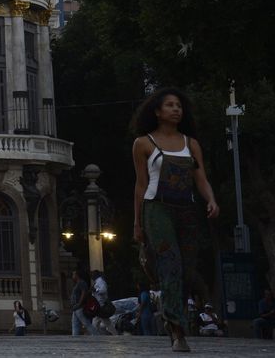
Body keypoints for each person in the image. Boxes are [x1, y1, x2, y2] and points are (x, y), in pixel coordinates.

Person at [132, 88, 220, 352]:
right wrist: (137, 223)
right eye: (169, 105)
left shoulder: (190, 144)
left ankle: (177, 316)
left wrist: (211, 200)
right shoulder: (143, 143)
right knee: (171, 264)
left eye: (179, 106)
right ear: (157, 112)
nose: (176, 109)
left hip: (186, 209)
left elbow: (200, 178)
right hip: (156, 209)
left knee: (187, 270)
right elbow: (140, 185)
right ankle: (176, 329)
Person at [90, 270, 115, 336]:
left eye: (92, 274)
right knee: (96, 322)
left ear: (95, 275)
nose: (91, 276)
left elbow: (103, 290)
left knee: (106, 322)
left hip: (101, 305)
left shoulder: (100, 281)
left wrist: (95, 290)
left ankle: (115, 334)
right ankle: (95, 336)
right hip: (98, 305)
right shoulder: (97, 281)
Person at [69, 269, 91, 336]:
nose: (72, 276)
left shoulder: (81, 282)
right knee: (75, 323)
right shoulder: (78, 283)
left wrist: (79, 303)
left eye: (73, 274)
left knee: (86, 323)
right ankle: (75, 338)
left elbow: (83, 293)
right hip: (75, 307)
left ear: (77, 275)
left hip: (79, 307)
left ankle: (97, 336)